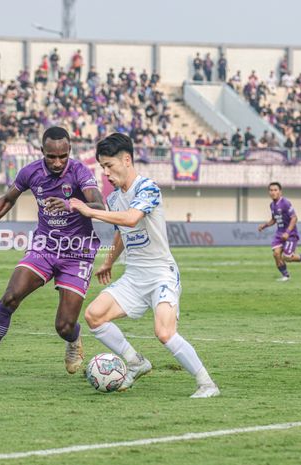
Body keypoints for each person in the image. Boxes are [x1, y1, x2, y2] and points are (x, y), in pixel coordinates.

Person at [69, 133, 220, 398]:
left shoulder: (147, 188)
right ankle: (136, 362)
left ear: (126, 160)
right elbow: (121, 233)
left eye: (109, 166)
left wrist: (90, 211)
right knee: (94, 315)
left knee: (164, 332)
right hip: (135, 276)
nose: (105, 173)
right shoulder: (114, 199)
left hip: (161, 273)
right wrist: (108, 262)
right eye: (102, 167)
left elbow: (131, 218)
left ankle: (206, 383)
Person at [0, 127, 105, 383]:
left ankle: (74, 338)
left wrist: (71, 204)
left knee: (64, 326)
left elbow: (100, 205)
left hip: (78, 253)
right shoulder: (30, 172)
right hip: (43, 247)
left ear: (69, 153)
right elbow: (6, 200)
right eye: (51, 157)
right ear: (42, 152)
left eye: (63, 157)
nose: (57, 162)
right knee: (10, 298)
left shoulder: (80, 171)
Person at [258, 182, 301, 282]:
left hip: (290, 234)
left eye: (275, 190)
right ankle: (286, 276)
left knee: (287, 257)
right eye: (271, 190)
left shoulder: (285, 203)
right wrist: (264, 225)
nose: (273, 192)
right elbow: (274, 220)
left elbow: (294, 218)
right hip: (279, 234)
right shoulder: (272, 205)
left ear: (280, 191)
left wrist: (287, 232)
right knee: (276, 254)